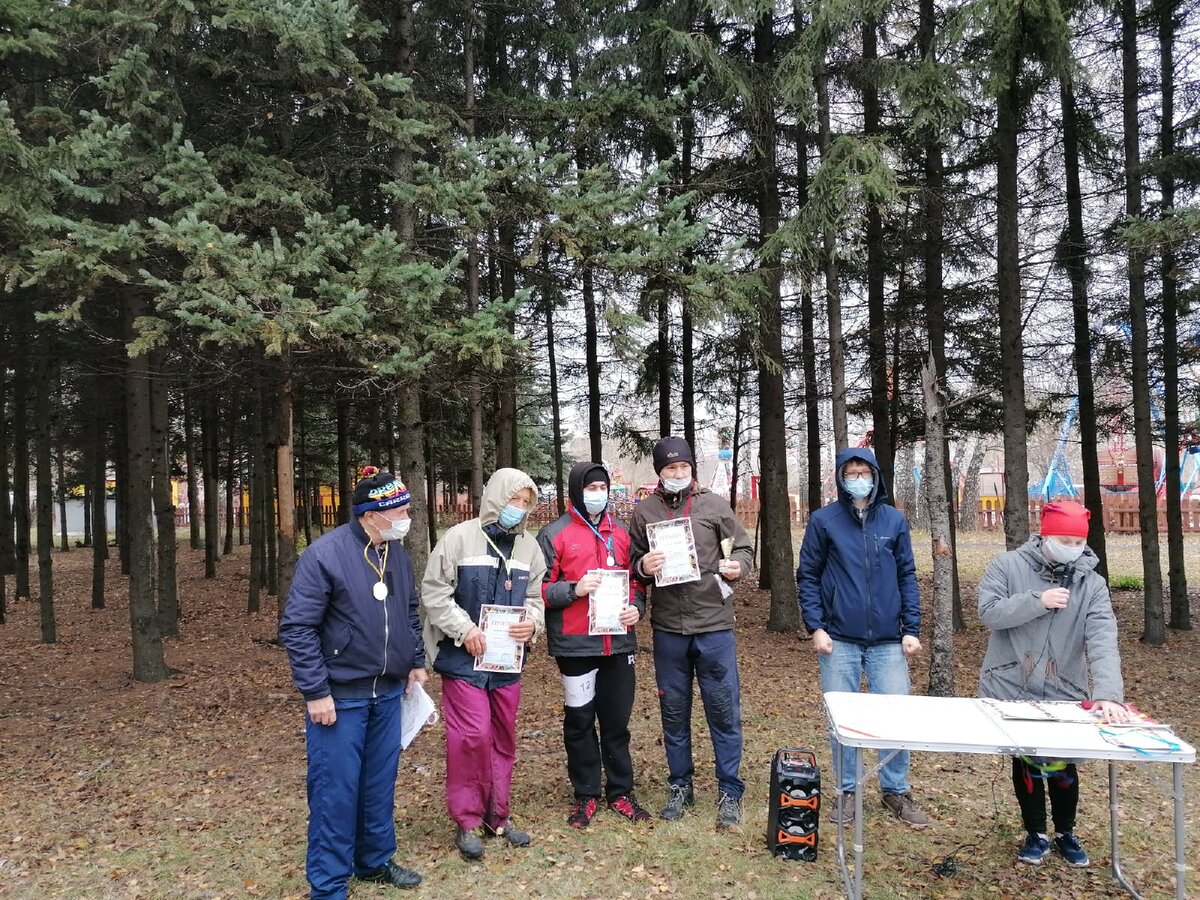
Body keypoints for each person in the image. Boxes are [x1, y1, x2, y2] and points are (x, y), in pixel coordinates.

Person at [279, 467, 426, 899]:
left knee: (378, 784)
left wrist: (414, 660)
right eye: (398, 509)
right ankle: (327, 886)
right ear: (370, 514)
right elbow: (298, 628)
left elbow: (409, 611)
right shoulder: (325, 555)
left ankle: (374, 860)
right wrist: (316, 691)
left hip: (388, 694)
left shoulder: (395, 553)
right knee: (335, 793)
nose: (405, 516)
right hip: (341, 698)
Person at [978, 499, 1129, 867]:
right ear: (1046, 535)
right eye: (1065, 540)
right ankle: (1035, 833)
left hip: (1063, 687)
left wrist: (1108, 694)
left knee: (1061, 762)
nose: (1073, 549)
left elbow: (1102, 638)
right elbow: (989, 612)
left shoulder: (1091, 584)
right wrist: (1037, 601)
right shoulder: (1006, 565)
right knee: (1028, 760)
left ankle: (1065, 832)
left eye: (1078, 543)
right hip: (1011, 685)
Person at [796, 447, 930, 828]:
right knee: (844, 720)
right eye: (850, 472)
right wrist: (816, 626)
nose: (858, 478)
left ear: (875, 475)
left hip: (889, 639)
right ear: (840, 477)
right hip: (838, 639)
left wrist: (911, 629)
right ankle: (848, 791)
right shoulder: (824, 521)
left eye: (864, 471)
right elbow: (807, 575)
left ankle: (896, 790)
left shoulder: (894, 520)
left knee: (896, 717)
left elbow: (907, 575)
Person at [421, 468, 546, 860]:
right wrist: (463, 629)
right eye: (514, 500)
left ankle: (498, 815)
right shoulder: (458, 538)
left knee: (503, 737)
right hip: (464, 660)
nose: (519, 509)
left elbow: (537, 597)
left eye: (526, 503)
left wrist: (532, 623)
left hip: (506, 662)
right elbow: (434, 592)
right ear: (495, 497)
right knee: (471, 737)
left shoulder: (529, 548)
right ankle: (468, 819)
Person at [629, 436, 754, 829]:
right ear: (659, 473)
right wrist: (643, 567)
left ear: (691, 470)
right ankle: (680, 785)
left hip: (714, 625)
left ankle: (730, 790)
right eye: (670, 469)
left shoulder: (714, 505)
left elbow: (743, 549)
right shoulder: (644, 512)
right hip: (668, 628)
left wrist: (738, 566)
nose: (678, 474)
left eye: (683, 467)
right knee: (674, 712)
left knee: (722, 711)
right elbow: (632, 565)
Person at [538, 461, 651, 828]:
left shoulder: (619, 532)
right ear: (576, 490)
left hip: (618, 644)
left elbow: (635, 581)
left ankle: (620, 792)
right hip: (575, 646)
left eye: (602, 487)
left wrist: (636, 607)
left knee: (616, 722)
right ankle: (586, 794)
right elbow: (539, 590)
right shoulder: (555, 534)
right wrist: (574, 589)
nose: (597, 494)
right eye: (590, 488)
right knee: (580, 721)